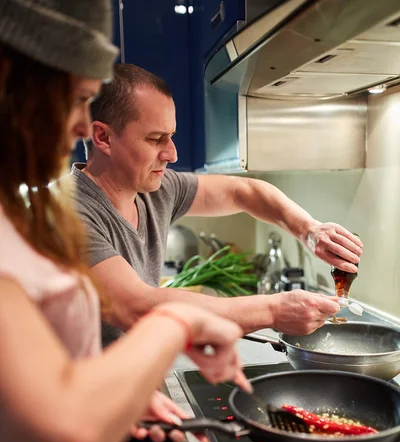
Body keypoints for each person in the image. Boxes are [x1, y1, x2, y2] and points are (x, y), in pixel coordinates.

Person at [0, 1, 250, 442]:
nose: (87, 127)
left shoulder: (17, 206)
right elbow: (69, 437)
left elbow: (42, 376)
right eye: (81, 98)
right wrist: (178, 320)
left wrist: (124, 393)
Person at [73, 63, 362, 349]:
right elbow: (134, 307)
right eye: (155, 138)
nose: (172, 153)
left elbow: (243, 191)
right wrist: (274, 311)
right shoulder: (66, 212)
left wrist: (310, 230)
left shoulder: (155, 190)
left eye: (171, 136)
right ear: (103, 137)